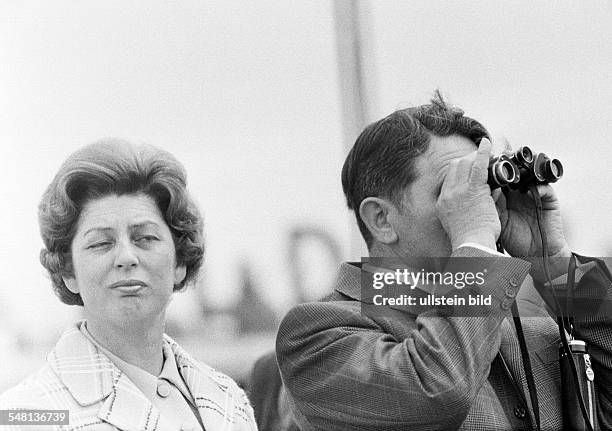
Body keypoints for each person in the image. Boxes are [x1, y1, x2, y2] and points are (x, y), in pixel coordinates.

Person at [275, 93, 612, 430]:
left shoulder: (528, 324)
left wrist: (554, 264)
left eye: (481, 186)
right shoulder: (316, 335)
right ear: (381, 219)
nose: (480, 204)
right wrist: (475, 243)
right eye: (454, 188)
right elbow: (436, 391)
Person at [0, 139, 257, 430]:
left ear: (179, 261)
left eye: (145, 238)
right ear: (68, 271)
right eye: (100, 243)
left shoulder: (228, 398)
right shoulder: (25, 416)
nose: (126, 257)